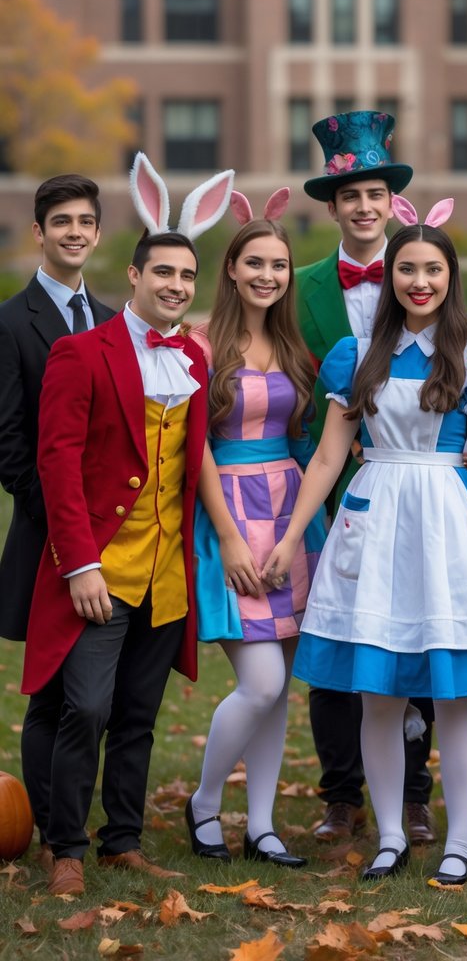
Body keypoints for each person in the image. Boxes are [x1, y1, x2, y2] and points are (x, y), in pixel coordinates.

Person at [264, 202, 467, 886]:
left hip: (446, 525)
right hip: (372, 518)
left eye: (432, 269)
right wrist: (288, 536)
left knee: (451, 696)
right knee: (378, 695)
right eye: (406, 269)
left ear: (451, 278)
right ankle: (390, 834)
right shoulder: (355, 357)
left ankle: (458, 840)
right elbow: (330, 459)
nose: (418, 281)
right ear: (391, 276)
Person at [21, 154, 233, 897]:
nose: (175, 286)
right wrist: (78, 564)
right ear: (136, 276)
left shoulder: (194, 362)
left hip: (165, 569)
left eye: (186, 277)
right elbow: (57, 464)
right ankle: (66, 846)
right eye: (162, 274)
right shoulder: (80, 352)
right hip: (101, 565)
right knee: (84, 705)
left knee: (139, 713)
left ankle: (123, 840)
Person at [295, 110, 436, 845]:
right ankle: (341, 793)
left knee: (412, 632)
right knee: (334, 638)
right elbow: (293, 385)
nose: (362, 206)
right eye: (349, 195)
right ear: (333, 206)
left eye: (374, 194)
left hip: (409, 489)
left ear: (391, 203)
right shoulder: (303, 285)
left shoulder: (422, 273)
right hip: (330, 492)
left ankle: (414, 791)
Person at [185, 190, 323, 866]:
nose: (269, 274)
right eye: (255, 262)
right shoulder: (202, 342)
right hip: (231, 514)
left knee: (279, 692)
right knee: (260, 682)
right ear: (233, 268)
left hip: (292, 516)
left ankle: (262, 825)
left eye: (280, 264)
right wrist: (230, 536)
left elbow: (307, 441)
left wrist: (303, 531)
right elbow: (195, 446)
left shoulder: (293, 345)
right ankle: (205, 803)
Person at [0, 175, 114, 854]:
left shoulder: (110, 319)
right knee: (50, 692)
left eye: (85, 221)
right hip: (48, 536)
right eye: (61, 221)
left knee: (97, 694)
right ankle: (46, 826)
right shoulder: (11, 322)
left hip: (116, 540)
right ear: (39, 232)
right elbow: (9, 444)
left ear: (98, 233)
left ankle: (77, 821)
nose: (74, 231)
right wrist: (70, 530)